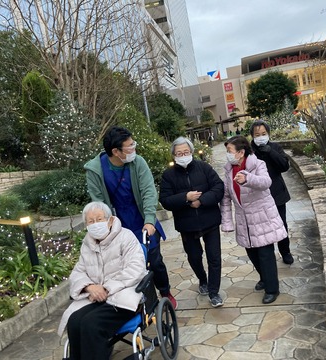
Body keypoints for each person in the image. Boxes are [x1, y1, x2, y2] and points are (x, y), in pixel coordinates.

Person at [84, 126, 177, 309]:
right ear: (116, 152)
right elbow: (99, 201)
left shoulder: (138, 163)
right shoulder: (95, 170)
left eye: (133, 144)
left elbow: (148, 191)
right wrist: (106, 228)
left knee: (153, 260)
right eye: (129, 146)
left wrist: (150, 220)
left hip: (141, 218)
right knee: (128, 265)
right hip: (118, 223)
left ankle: (165, 291)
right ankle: (145, 301)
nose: (133, 148)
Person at [57, 201, 146, 360]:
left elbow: (135, 268)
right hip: (96, 298)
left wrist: (106, 288)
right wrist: (89, 287)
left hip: (123, 297)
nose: (95, 224)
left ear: (110, 220)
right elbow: (78, 271)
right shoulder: (87, 243)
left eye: (99, 219)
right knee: (75, 320)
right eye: (90, 221)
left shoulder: (126, 236)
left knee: (91, 324)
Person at [220, 136, 287, 304]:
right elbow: (226, 197)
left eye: (230, 151)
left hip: (262, 217)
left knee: (265, 254)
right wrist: (227, 222)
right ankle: (265, 278)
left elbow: (266, 182)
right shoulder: (229, 170)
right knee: (251, 252)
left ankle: (272, 289)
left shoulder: (257, 164)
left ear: (241, 152)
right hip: (244, 220)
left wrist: (248, 178)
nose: (228, 154)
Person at [159, 137, 225, 307]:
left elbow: (218, 187)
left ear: (192, 152)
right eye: (179, 153)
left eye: (186, 152)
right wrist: (185, 198)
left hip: (209, 220)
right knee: (194, 257)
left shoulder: (204, 168)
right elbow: (165, 200)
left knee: (214, 257)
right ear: (174, 155)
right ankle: (202, 279)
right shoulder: (168, 175)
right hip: (187, 225)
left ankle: (214, 292)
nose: (183, 155)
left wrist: (201, 200)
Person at [249, 120, 294, 266]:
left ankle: (285, 251)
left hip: (277, 194)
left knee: (281, 224)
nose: (260, 137)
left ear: (268, 134)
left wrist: (271, 152)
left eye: (263, 134)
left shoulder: (275, 147)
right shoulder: (249, 151)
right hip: (259, 196)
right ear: (252, 136)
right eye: (257, 134)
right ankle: (267, 257)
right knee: (263, 228)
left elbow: (284, 166)